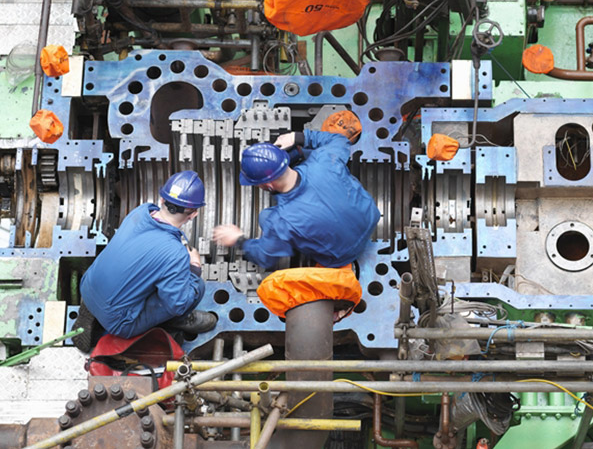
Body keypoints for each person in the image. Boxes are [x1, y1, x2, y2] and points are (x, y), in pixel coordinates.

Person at [75, 170, 217, 351]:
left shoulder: (141, 211)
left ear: (162, 199)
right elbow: (177, 304)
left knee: (149, 275)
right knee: (195, 286)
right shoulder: (175, 253)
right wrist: (194, 268)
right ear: (194, 214)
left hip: (87, 285)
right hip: (119, 322)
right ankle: (174, 322)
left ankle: (90, 306)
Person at [212, 129, 381, 271]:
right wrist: (298, 137)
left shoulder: (281, 221)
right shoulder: (323, 160)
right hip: (370, 217)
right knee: (308, 151)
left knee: (265, 217)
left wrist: (238, 239)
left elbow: (265, 257)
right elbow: (340, 140)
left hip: (342, 255)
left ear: (268, 185)